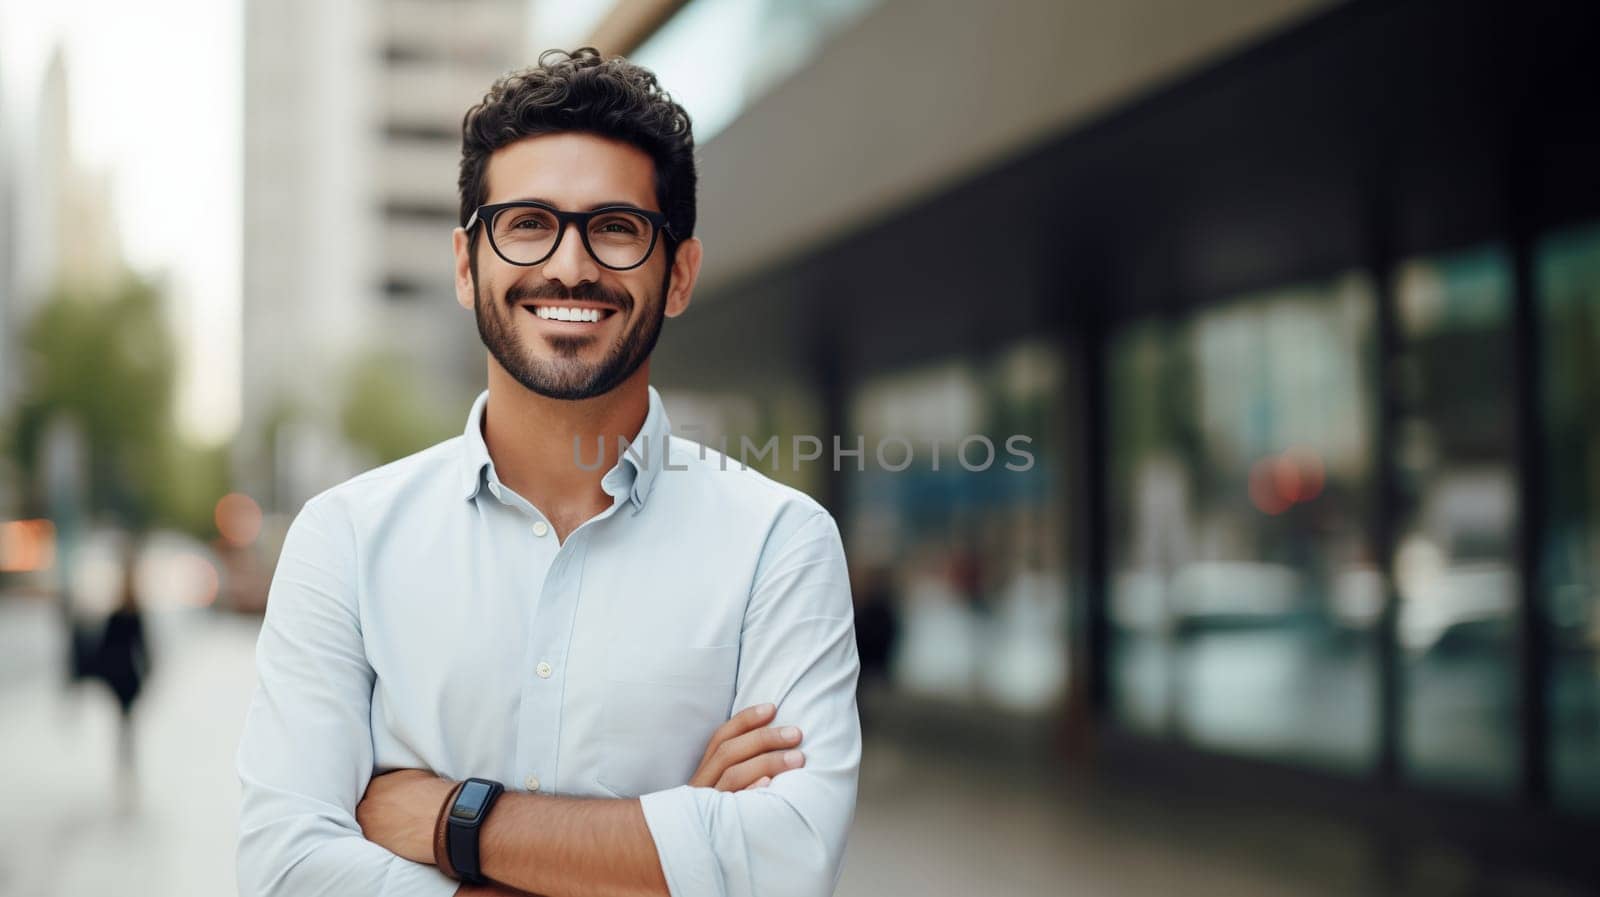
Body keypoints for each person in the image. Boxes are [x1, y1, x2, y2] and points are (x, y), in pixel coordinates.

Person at [235, 48, 862, 897]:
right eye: (528, 222)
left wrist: (452, 821)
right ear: (467, 264)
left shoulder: (779, 545)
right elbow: (286, 871)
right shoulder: (344, 539)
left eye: (615, 227)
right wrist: (675, 847)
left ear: (677, 274)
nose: (570, 264)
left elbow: (783, 868)